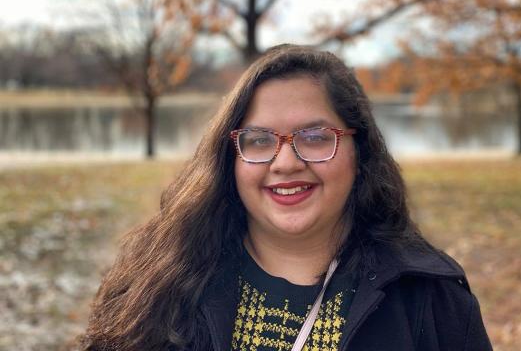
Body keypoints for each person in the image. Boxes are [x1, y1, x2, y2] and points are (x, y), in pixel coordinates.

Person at [80, 44, 493, 351]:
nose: (286, 163)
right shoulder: (156, 284)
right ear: (231, 157)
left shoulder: (431, 296)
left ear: (359, 150)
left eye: (315, 137)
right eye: (259, 140)